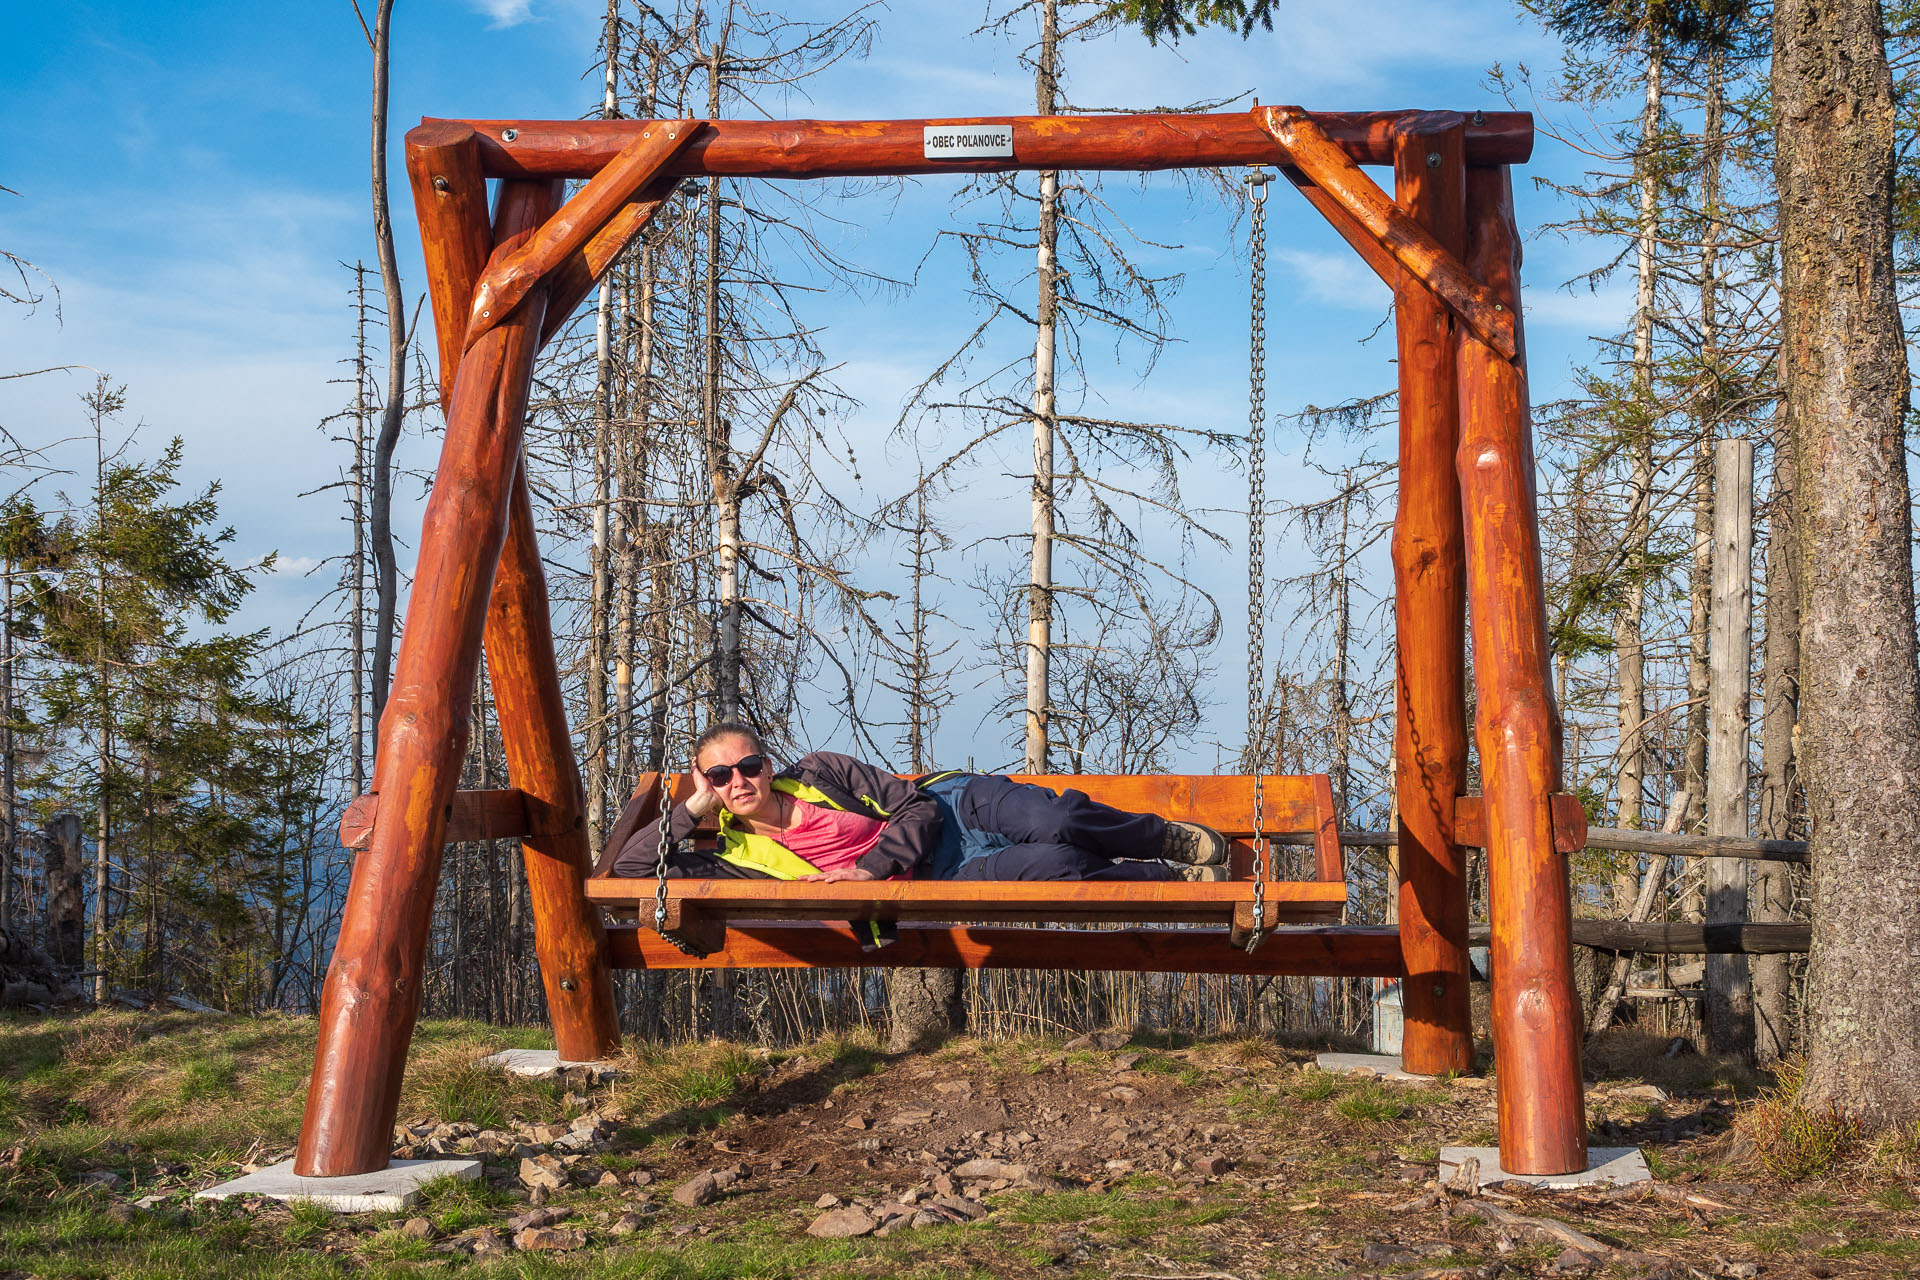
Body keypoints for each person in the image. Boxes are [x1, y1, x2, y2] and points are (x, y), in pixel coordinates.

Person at [608, 721, 1231, 884]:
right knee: (1056, 867)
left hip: (957, 810)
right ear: (704, 781)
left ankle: (1159, 838)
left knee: (1058, 819)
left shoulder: (822, 771)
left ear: (768, 766)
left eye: (749, 765)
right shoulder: (736, 857)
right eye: (719, 776)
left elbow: (915, 807)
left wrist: (869, 869)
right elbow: (629, 871)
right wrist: (690, 811)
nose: (738, 781)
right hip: (945, 872)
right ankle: (1166, 875)